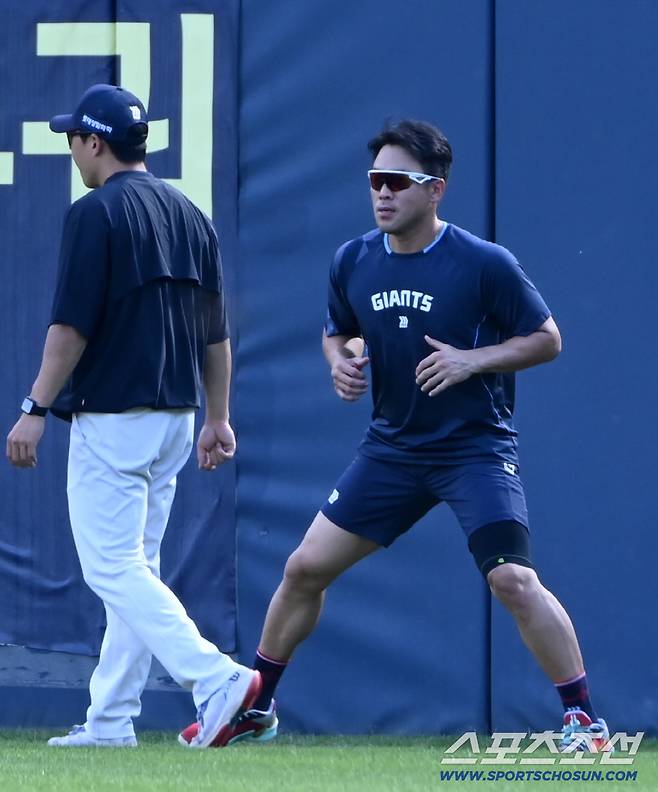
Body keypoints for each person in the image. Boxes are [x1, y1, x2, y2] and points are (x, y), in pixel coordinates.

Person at [180, 119, 609, 751]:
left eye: (398, 181)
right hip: (393, 451)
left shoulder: (483, 263)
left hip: (474, 450)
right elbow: (339, 332)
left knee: (512, 579)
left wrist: (472, 360)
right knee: (303, 569)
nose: (382, 192)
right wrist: (342, 362)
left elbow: (548, 339)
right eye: (375, 180)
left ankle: (583, 719)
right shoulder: (354, 259)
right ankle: (258, 707)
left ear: (435, 190)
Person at [6, 83, 260, 749]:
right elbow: (215, 334)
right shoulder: (190, 214)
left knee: (113, 569)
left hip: (116, 417)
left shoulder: (95, 213)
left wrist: (34, 407)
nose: (73, 150)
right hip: (176, 418)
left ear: (95, 142)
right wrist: (218, 416)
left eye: (74, 138)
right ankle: (111, 721)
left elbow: (70, 327)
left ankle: (217, 679)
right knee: (134, 570)